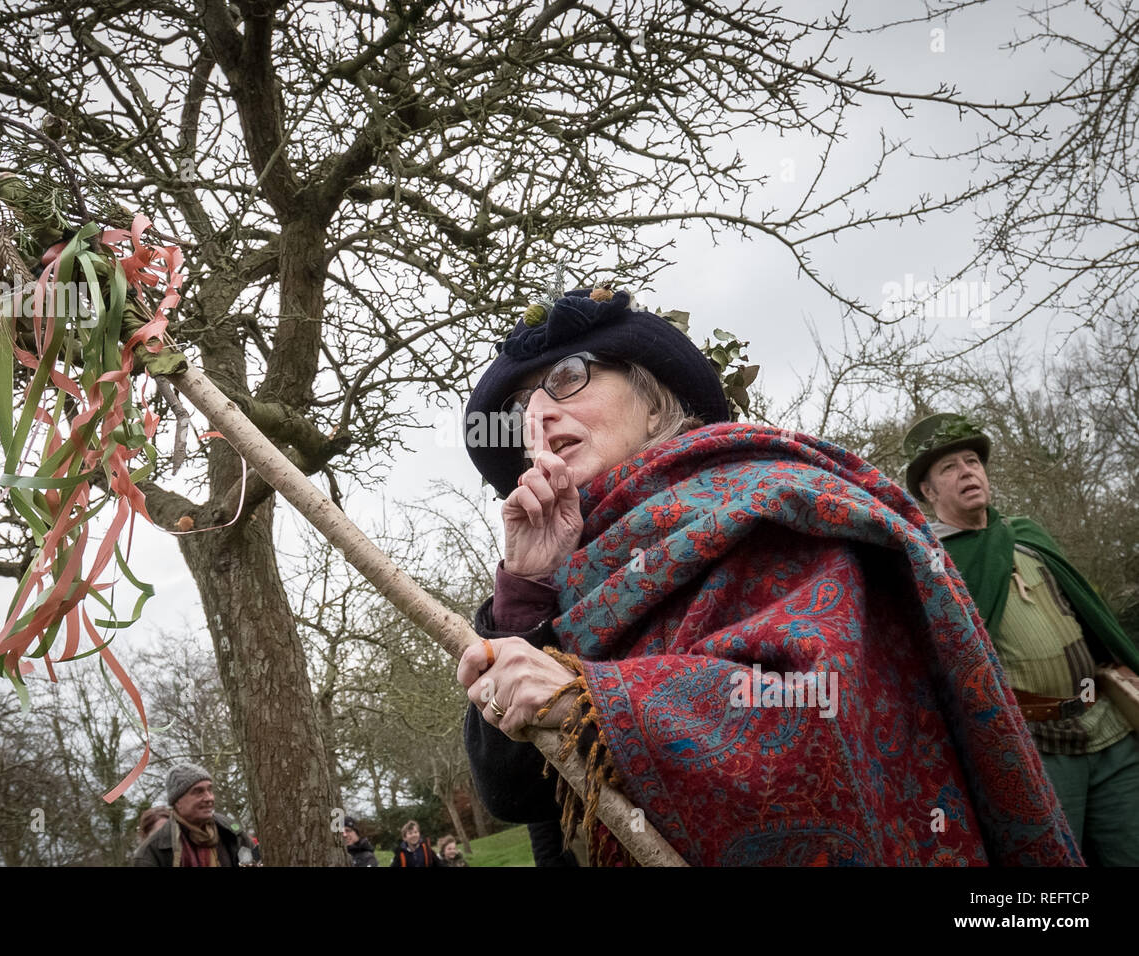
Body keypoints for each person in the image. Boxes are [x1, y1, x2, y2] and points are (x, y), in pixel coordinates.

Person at [456, 287, 1079, 866]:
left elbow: (818, 717)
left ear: (655, 402)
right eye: (518, 407)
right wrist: (527, 589)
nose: (535, 415)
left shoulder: (774, 503)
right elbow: (513, 791)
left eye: (567, 379)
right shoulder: (557, 571)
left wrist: (594, 701)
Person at [905, 412, 1139, 865]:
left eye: (972, 460)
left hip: (1107, 728)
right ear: (929, 493)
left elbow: (1094, 619)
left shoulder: (1027, 535)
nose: (967, 471)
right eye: (949, 468)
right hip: (1034, 747)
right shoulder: (933, 565)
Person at [132, 763, 254, 867]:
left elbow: (255, 857)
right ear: (178, 801)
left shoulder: (230, 829)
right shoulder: (152, 851)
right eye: (198, 791)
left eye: (210, 789)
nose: (209, 797)